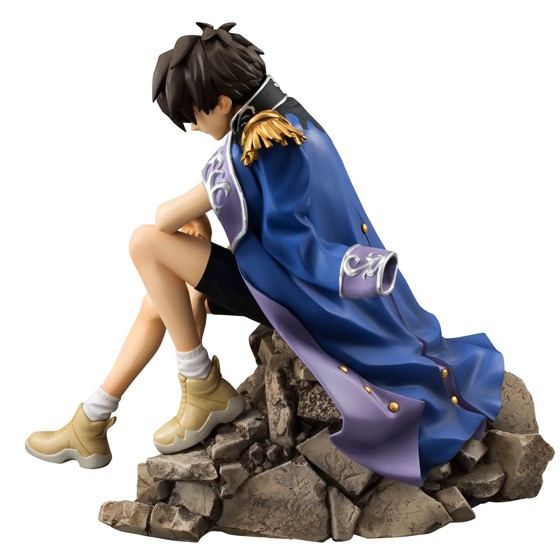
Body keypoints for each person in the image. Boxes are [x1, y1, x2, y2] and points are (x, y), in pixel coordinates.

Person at [26, 22, 504, 486]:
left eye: (195, 116)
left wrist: (196, 217)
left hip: (295, 294)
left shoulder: (258, 145)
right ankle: (92, 419)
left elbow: (167, 216)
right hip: (285, 279)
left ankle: (200, 386)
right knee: (162, 296)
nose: (194, 128)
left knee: (144, 243)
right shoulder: (290, 117)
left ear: (223, 102)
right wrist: (203, 221)